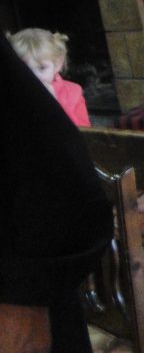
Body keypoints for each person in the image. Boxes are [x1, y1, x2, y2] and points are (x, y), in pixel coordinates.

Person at [0, 34, 112, 352]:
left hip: (22, 298)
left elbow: (59, 173)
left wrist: (22, 295)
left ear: (59, 63)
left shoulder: (66, 94)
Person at [8, 27, 91, 127]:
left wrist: (55, 104)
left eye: (42, 68)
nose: (34, 77)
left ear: (57, 64)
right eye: (24, 69)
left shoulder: (74, 92)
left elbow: (83, 131)